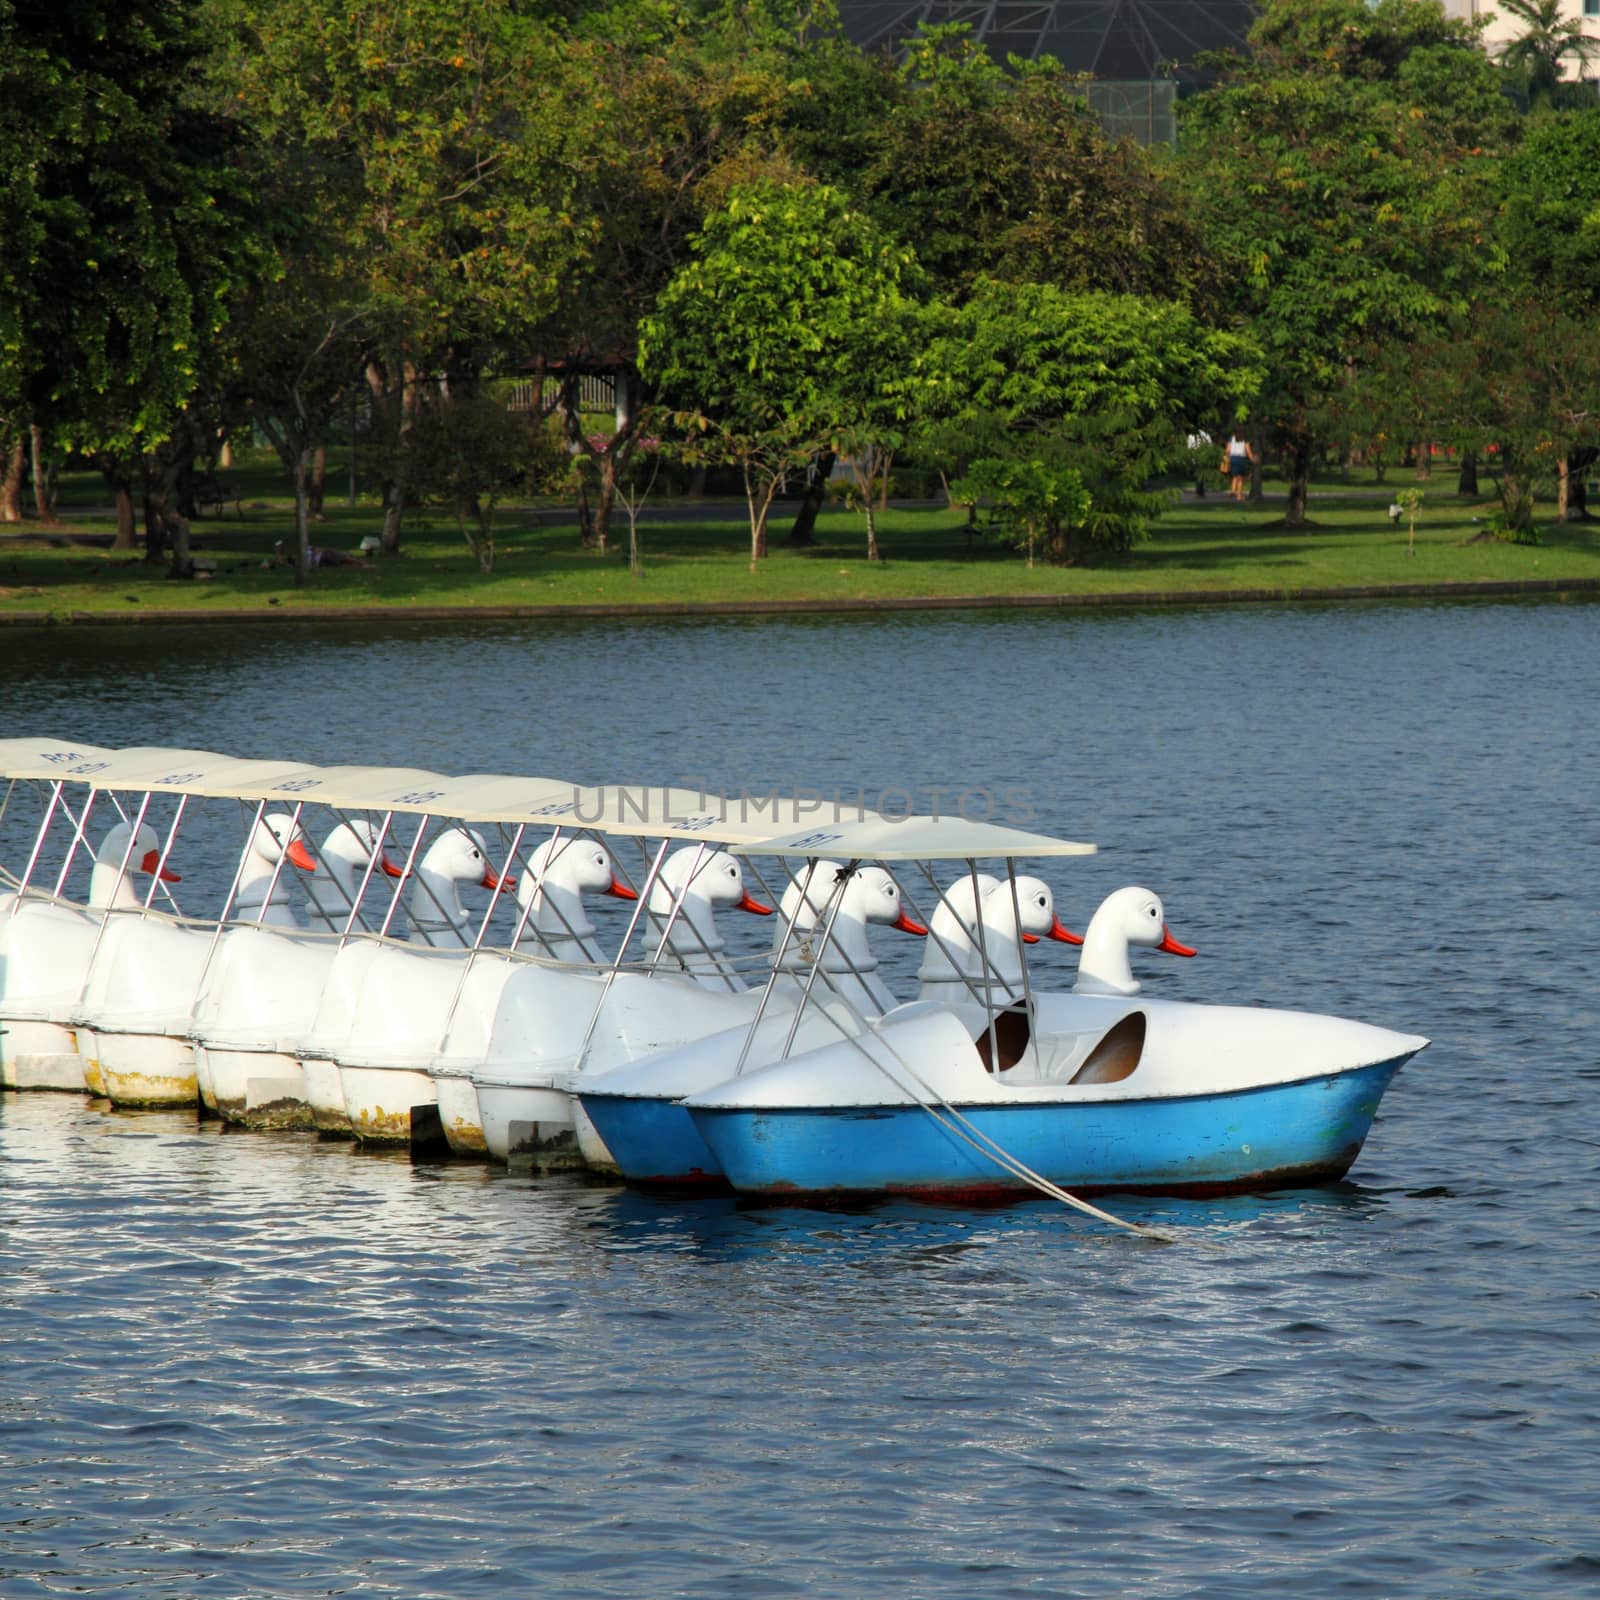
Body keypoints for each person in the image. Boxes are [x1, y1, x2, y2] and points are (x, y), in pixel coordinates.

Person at [1223, 433, 1254, 503]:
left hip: (1232, 458)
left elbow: (1227, 450)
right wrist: (1252, 459)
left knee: (1235, 476)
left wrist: (1226, 458)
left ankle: (1233, 490)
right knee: (1240, 478)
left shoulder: (1231, 438)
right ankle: (1239, 496)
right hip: (1241, 459)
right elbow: (1248, 451)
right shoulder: (1245, 439)